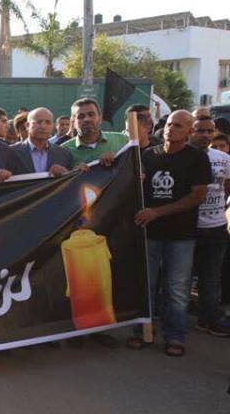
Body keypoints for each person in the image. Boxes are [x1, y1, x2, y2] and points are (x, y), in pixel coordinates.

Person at [129, 111, 210, 356]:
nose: (170, 129)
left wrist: (157, 212)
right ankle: (143, 331)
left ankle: (175, 335)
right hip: (149, 233)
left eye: (178, 126)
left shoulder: (197, 158)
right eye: (169, 124)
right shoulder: (148, 155)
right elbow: (137, 188)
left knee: (177, 288)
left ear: (189, 131)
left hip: (181, 235)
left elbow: (197, 196)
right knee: (147, 285)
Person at [188, 115, 230, 336]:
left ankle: (208, 319)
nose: (205, 135)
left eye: (209, 131)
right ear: (191, 132)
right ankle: (174, 319)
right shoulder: (183, 157)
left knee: (211, 278)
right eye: (200, 130)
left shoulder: (223, 158)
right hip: (188, 228)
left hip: (216, 228)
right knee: (182, 278)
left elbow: (226, 189)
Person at [61, 98, 129, 167]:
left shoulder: (123, 140)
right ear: (73, 122)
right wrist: (75, 171)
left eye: (91, 114)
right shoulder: (64, 151)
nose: (87, 119)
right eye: (81, 116)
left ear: (100, 118)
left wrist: (118, 159)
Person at [10, 107, 73, 176]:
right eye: (39, 122)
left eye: (48, 122)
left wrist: (66, 172)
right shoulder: (11, 152)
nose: (43, 126)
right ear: (27, 125)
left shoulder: (63, 154)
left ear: (52, 126)